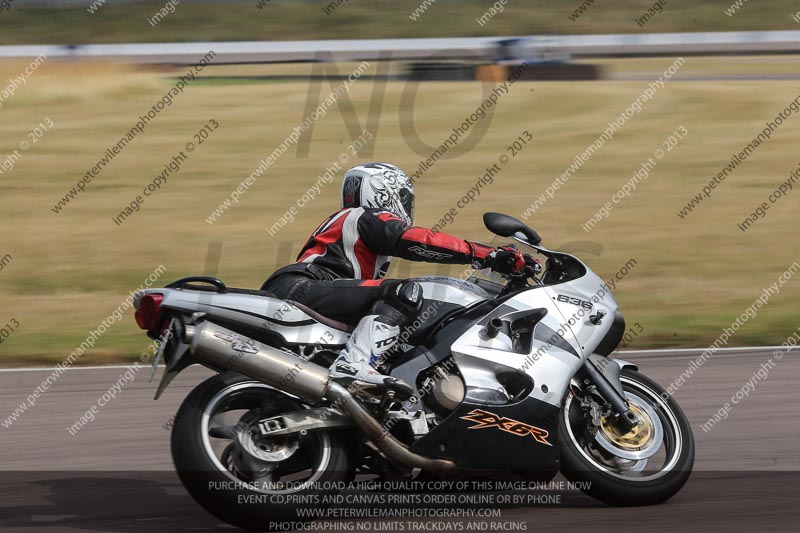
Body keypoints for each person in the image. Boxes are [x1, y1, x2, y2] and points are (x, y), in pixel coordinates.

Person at [261, 162, 525, 399]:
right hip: (303, 287)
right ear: (385, 192)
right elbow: (415, 240)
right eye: (403, 197)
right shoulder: (365, 216)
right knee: (404, 292)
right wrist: (485, 253)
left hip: (302, 288)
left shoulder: (348, 223)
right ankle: (353, 365)